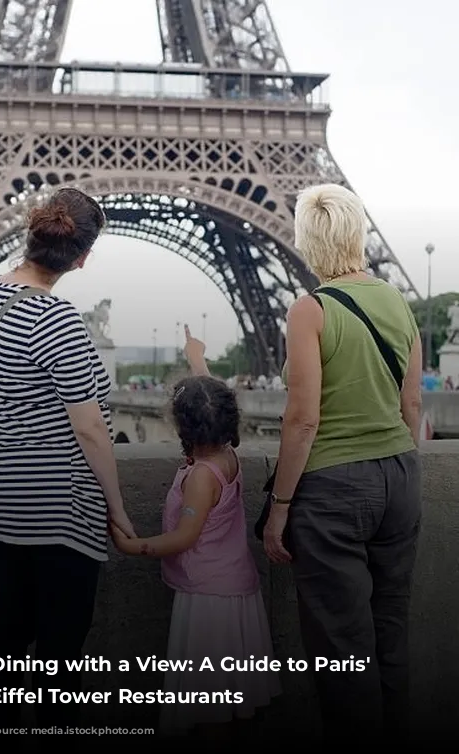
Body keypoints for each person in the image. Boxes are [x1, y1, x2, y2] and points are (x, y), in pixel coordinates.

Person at [0, 187, 136, 751]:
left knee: (9, 635)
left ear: (31, 232)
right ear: (82, 256)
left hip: (1, 493)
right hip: (59, 504)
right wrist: (117, 510)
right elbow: (90, 429)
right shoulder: (59, 318)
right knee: (61, 654)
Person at [263, 184, 422, 748]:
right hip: (399, 476)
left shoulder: (311, 309)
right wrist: (397, 469)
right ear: (358, 232)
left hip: (333, 490)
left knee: (341, 647)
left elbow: (302, 420)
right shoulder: (398, 301)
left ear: (309, 242)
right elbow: (412, 406)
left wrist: (279, 509)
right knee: (391, 629)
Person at [111, 325, 280, 740]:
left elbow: (185, 537)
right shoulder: (228, 455)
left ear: (182, 427)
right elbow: (214, 400)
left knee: (205, 703)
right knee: (229, 696)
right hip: (234, 586)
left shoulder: (201, 477)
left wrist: (135, 546)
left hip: (208, 597)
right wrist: (197, 360)